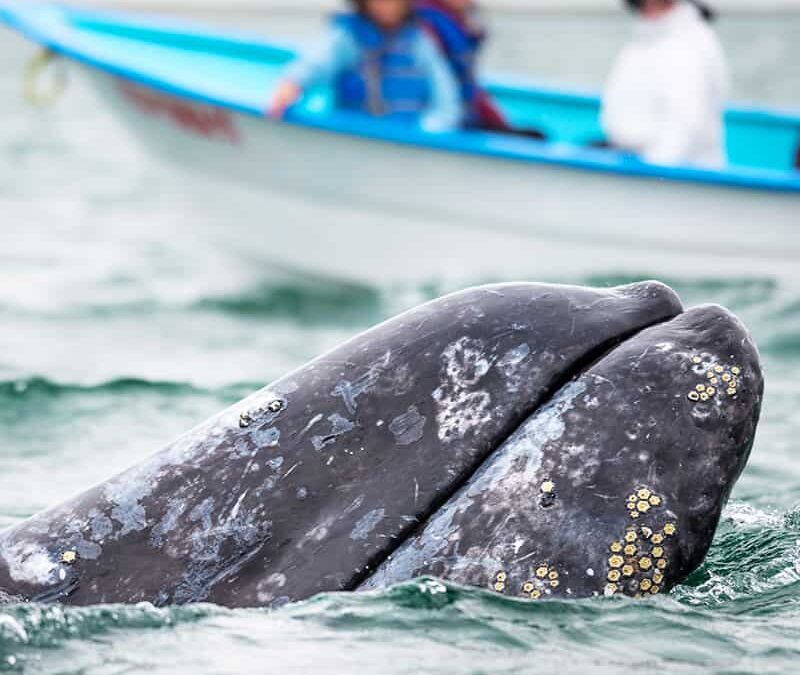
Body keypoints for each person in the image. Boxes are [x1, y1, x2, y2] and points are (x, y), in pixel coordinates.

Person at [268, 0, 463, 133]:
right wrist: (292, 83)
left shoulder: (420, 42)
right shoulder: (348, 38)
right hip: (357, 135)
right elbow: (316, 62)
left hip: (407, 139)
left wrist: (427, 132)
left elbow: (446, 99)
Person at [601, 0, 730, 167]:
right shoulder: (646, 37)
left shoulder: (689, 45)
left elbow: (685, 127)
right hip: (628, 159)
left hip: (676, 177)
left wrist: (651, 175)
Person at [414, 0, 508, 130]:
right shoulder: (424, 28)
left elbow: (469, 85)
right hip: (446, 123)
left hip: (466, 114)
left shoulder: (464, 21)